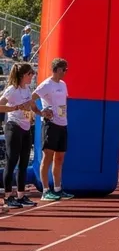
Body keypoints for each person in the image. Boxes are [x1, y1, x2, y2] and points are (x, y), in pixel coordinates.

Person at [33, 57, 74, 201]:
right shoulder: (46, 85)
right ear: (56, 70)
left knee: (60, 158)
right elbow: (31, 98)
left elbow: (63, 102)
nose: (65, 72)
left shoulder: (63, 84)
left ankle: (58, 188)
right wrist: (41, 112)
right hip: (50, 125)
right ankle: (45, 191)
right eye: (64, 70)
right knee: (48, 157)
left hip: (63, 124)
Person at [0, 62, 36, 209]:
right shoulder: (12, 90)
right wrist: (15, 107)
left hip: (26, 127)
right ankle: (8, 196)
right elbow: (0, 105)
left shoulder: (27, 89)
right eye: (30, 74)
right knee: (12, 161)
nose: (32, 76)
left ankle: (21, 195)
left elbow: (31, 105)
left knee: (24, 162)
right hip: (13, 126)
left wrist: (41, 113)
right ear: (23, 75)